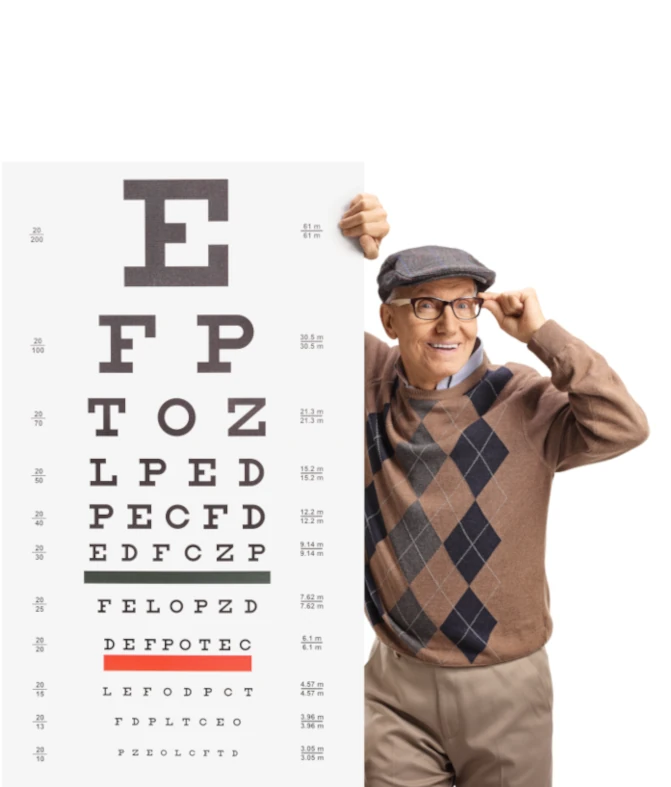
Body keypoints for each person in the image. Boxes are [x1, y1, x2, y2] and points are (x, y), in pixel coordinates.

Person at [339, 194, 650, 786]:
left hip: (506, 688)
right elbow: (283, 306)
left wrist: (542, 334)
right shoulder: (369, 381)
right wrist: (340, 245)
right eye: (426, 305)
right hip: (392, 688)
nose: (449, 324)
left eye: (464, 304)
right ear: (389, 318)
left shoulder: (521, 397)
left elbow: (623, 426)